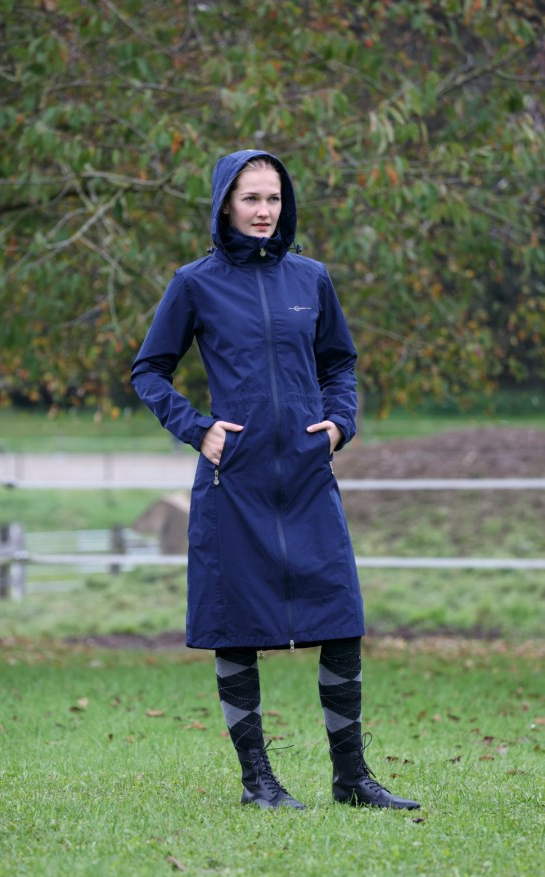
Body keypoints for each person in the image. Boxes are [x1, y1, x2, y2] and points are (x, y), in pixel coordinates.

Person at [131, 149, 419, 812]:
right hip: (234, 483)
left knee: (341, 620)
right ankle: (257, 781)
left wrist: (339, 424)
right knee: (234, 628)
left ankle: (352, 779)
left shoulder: (311, 279)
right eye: (251, 198)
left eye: (273, 198)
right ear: (224, 205)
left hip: (308, 479)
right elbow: (149, 370)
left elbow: (339, 363)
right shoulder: (194, 284)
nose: (264, 211)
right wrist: (197, 427)